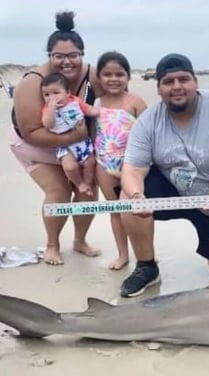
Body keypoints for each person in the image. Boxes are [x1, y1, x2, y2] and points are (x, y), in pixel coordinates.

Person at [119, 53, 209, 297]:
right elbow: (133, 168)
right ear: (159, 88)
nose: (177, 87)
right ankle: (146, 266)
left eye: (184, 79)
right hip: (175, 188)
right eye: (168, 82)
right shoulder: (148, 122)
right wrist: (137, 194)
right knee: (127, 197)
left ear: (195, 82)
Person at [9, 11, 103, 265]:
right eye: (58, 56)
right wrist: (77, 135)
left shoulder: (91, 75)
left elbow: (115, 97)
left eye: (73, 55)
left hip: (77, 142)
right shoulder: (32, 82)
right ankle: (52, 244)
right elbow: (32, 132)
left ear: (82, 54)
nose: (66, 62)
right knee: (59, 190)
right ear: (49, 56)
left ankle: (80, 240)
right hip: (34, 144)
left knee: (88, 190)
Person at [94, 51, 147, 270]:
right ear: (99, 77)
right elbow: (92, 134)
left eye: (119, 74)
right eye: (107, 74)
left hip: (131, 166)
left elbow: (147, 136)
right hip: (103, 164)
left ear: (128, 77)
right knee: (115, 211)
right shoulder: (96, 103)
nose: (113, 79)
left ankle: (144, 256)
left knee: (134, 211)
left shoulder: (136, 102)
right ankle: (123, 255)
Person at [41, 72, 99, 196]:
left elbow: (87, 109)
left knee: (90, 163)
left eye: (56, 93)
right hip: (64, 144)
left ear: (68, 92)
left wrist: (97, 112)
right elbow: (48, 124)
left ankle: (87, 183)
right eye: (46, 95)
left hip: (82, 141)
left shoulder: (74, 101)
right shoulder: (47, 108)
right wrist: (51, 109)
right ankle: (79, 183)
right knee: (70, 167)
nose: (51, 98)